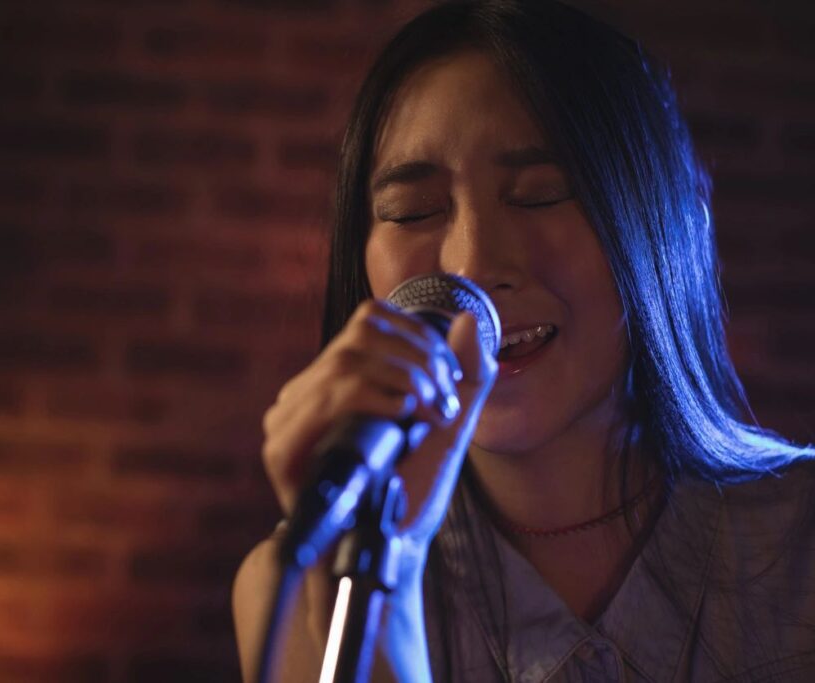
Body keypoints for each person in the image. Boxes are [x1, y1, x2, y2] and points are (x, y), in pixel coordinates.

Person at [233, 1, 815, 681]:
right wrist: (381, 567)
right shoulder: (299, 584)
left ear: (647, 221)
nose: (475, 266)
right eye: (414, 212)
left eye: (540, 194)